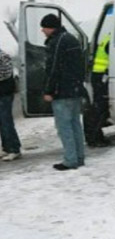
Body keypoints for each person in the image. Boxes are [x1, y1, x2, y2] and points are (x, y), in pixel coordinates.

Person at [40, 14, 86, 171]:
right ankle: (79, 157)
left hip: (62, 91)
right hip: (75, 89)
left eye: (44, 27)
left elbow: (54, 68)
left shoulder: (57, 41)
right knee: (75, 125)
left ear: (50, 27)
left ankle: (70, 160)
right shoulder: (71, 39)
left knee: (64, 127)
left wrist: (49, 90)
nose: (42, 31)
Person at [85, 32, 111, 147]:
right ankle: (94, 138)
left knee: (97, 108)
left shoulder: (107, 38)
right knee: (100, 108)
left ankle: (94, 136)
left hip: (98, 76)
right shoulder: (110, 41)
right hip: (101, 77)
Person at [0, 45, 21, 161]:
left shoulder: (2, 56)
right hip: (3, 92)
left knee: (6, 121)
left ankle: (14, 148)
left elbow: (5, 74)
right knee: (2, 122)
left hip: (4, 93)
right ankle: (7, 148)